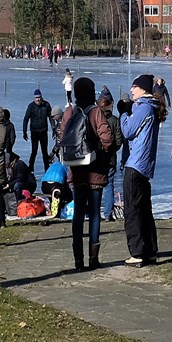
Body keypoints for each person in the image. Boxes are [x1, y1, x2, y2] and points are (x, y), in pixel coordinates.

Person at [59, 77, 115, 269]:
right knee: (95, 214)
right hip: (95, 170)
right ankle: (93, 258)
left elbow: (62, 137)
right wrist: (100, 152)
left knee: (78, 215)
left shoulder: (69, 112)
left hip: (76, 170)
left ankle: (78, 259)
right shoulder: (95, 112)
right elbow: (107, 139)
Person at [120, 74, 164, 265]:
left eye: (134, 87)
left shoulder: (144, 107)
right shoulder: (150, 107)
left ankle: (137, 252)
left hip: (135, 164)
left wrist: (123, 114)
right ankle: (150, 250)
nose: (131, 90)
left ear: (143, 89)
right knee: (145, 210)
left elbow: (128, 131)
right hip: (144, 165)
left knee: (132, 210)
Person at [98, 91, 124, 220]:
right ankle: (108, 214)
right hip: (110, 158)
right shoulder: (115, 120)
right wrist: (113, 149)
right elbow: (119, 140)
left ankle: (95, 213)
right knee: (109, 185)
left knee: (96, 186)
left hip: (97, 158)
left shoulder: (95, 119)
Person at [22, 88, 53, 169]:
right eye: (36, 98)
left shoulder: (46, 105)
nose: (38, 99)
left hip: (43, 132)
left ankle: (47, 168)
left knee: (44, 151)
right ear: (34, 98)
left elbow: (51, 117)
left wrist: (53, 128)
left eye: (39, 97)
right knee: (34, 150)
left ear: (41, 97)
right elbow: (26, 119)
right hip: (34, 132)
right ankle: (30, 168)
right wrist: (24, 131)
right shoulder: (31, 106)